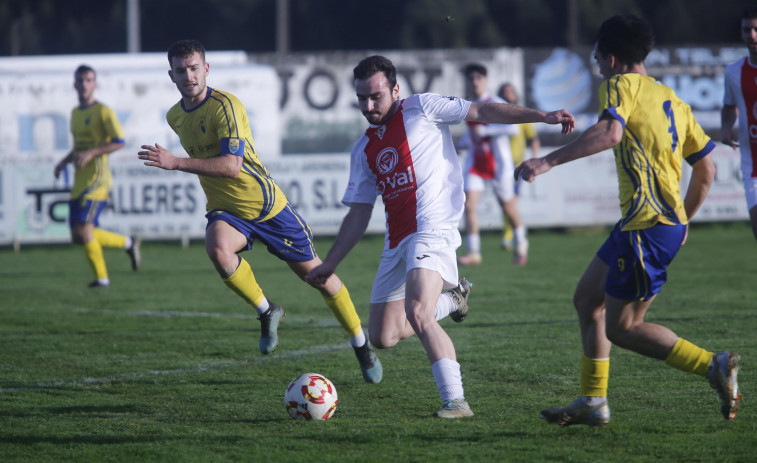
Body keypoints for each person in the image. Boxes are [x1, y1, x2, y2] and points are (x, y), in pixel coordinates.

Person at [305, 55, 574, 418]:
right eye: (361, 99)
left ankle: (456, 401)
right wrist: (331, 262)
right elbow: (359, 212)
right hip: (396, 239)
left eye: (376, 97)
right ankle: (454, 299)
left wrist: (542, 117)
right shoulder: (363, 149)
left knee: (417, 312)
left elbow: (484, 111)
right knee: (384, 336)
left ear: (395, 90)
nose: (368, 106)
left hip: (433, 226)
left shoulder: (423, 108)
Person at [515, 14, 741, 427]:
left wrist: (547, 160)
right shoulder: (671, 98)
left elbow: (609, 134)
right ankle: (593, 401)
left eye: (599, 57)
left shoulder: (619, 85)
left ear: (613, 57)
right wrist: (683, 220)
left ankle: (713, 364)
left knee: (623, 328)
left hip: (648, 227)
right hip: (647, 226)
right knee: (587, 299)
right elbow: (707, 167)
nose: (598, 65)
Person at [137, 39, 383, 384]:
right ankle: (267, 311)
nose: (188, 76)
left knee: (320, 278)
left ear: (206, 69)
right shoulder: (175, 116)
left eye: (194, 68)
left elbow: (232, 166)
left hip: (266, 207)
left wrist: (176, 162)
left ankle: (361, 344)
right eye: (181, 70)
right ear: (171, 75)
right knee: (218, 250)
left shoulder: (226, 106)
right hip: (226, 209)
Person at [54, 64, 141, 288]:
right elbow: (79, 146)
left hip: (97, 181)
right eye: (80, 80)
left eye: (88, 80)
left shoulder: (103, 111)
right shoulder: (75, 113)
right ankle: (128, 243)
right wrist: (64, 161)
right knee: (77, 235)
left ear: (95, 84)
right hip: (79, 181)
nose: (84, 84)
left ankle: (102, 279)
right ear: (75, 84)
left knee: (84, 231)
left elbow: (119, 142)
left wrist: (93, 152)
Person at [457, 64, 529, 266]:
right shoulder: (468, 105)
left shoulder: (496, 103)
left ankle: (521, 244)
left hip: (498, 165)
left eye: (479, 77)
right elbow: (470, 135)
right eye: (471, 78)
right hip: (476, 163)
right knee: (469, 205)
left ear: (486, 81)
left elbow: (513, 130)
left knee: (508, 207)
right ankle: (473, 252)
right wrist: (459, 145)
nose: (474, 81)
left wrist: (486, 132)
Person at [721, 7, 757, 241]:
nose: (752, 35)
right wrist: (726, 128)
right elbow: (728, 106)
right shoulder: (734, 72)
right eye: (747, 30)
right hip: (753, 169)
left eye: (756, 29)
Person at [498, 82, 540, 251]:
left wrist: (536, 159)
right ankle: (514, 235)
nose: (508, 94)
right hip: (499, 166)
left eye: (510, 91)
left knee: (511, 202)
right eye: (504, 92)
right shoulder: (495, 115)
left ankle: (512, 236)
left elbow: (533, 138)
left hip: (516, 166)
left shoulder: (521, 116)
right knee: (506, 202)